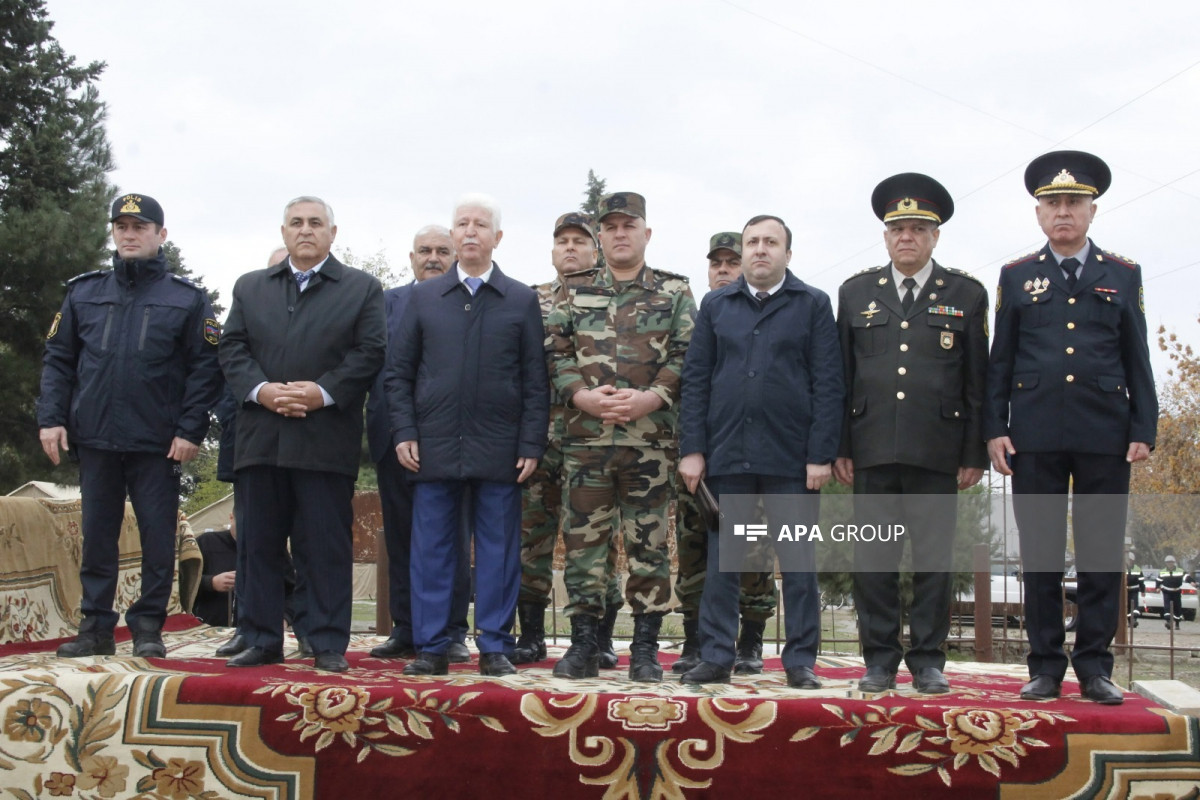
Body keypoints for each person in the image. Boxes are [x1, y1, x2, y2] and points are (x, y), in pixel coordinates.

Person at [986, 151, 1157, 705]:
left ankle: (1094, 667)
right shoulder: (1016, 277)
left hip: (1106, 432)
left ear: (1092, 210)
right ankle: (1043, 667)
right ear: (1038, 213)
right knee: (1038, 552)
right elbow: (1000, 361)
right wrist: (995, 428)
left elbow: (1137, 357)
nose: (1063, 212)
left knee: (1101, 552)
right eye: (1053, 203)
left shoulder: (1123, 274)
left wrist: (1144, 427)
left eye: (1074, 203)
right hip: (1033, 433)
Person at [38, 193, 223, 659]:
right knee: (97, 533)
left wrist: (190, 430)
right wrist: (52, 419)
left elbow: (205, 369)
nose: (129, 234)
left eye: (140, 227)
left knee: (158, 535)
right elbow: (59, 360)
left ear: (161, 235)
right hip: (95, 435)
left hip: (158, 441)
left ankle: (147, 627)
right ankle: (96, 627)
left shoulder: (185, 298)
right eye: (121, 226)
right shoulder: (83, 291)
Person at [833, 174, 989, 694]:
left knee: (934, 559)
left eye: (919, 228)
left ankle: (927, 660)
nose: (907, 237)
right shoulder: (856, 293)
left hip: (938, 451)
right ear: (884, 236)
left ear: (935, 236)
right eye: (898, 228)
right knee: (872, 558)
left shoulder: (966, 293)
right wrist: (841, 447)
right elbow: (843, 376)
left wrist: (973, 452)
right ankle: (878, 658)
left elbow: (975, 382)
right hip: (872, 448)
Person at [220, 196, 386, 673]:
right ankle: (261, 638)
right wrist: (262, 390)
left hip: (324, 439)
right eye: (297, 223)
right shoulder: (251, 288)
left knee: (323, 546)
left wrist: (322, 392)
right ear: (283, 231)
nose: (306, 230)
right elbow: (232, 348)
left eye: (316, 223)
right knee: (258, 544)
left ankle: (326, 641)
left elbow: (370, 351)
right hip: (261, 437)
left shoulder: (361, 288)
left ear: (333, 233)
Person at [387, 193, 549, 677]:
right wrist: (405, 431)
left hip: (500, 448)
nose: (471, 232)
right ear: (453, 236)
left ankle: (495, 645)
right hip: (432, 445)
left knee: (498, 552)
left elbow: (534, 380)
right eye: (463, 224)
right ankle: (433, 645)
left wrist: (530, 444)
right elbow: (399, 374)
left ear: (497, 238)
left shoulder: (521, 299)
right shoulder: (422, 298)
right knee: (432, 549)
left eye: (481, 225)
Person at [678, 214, 843, 688]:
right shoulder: (716, 305)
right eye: (753, 242)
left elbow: (828, 383)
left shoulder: (812, 303)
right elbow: (696, 380)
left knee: (797, 563)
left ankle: (800, 661)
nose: (760, 250)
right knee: (724, 560)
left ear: (788, 253)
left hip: (792, 459)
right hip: (727, 455)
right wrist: (694, 450)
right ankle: (714, 656)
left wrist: (820, 454)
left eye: (771, 242)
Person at [545, 191, 695, 682]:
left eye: (628, 226)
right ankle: (585, 643)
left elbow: (687, 356)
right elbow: (555, 353)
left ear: (646, 233)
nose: (619, 234)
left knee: (649, 545)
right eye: (610, 227)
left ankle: (646, 648)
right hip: (586, 441)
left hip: (648, 443)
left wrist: (654, 397)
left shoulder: (674, 291)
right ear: (600, 236)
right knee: (584, 548)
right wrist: (580, 397)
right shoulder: (573, 289)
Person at [513, 212, 623, 667]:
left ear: (595, 249)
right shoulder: (528, 301)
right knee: (530, 538)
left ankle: (600, 636)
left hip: (595, 441)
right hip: (539, 439)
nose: (571, 248)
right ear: (552, 250)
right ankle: (532, 636)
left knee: (599, 541)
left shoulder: (614, 296)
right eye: (563, 241)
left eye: (581, 240)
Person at [673, 231, 778, 676]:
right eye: (715, 263)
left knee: (750, 547)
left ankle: (750, 640)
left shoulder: (762, 316)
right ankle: (696, 639)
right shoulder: (697, 317)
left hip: (748, 451)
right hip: (698, 450)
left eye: (731, 262)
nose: (722, 269)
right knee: (693, 544)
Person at [367, 225, 473, 662]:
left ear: (455, 257)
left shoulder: (470, 301)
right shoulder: (384, 303)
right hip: (393, 435)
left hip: (455, 439)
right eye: (424, 250)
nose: (433, 257)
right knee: (401, 536)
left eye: (442, 251)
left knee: (451, 536)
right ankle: (406, 628)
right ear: (411, 258)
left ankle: (451, 632)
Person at [213, 246, 312, 659]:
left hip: (310, 440)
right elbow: (226, 373)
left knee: (309, 543)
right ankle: (250, 627)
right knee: (253, 544)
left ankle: (308, 627)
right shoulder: (248, 307)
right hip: (251, 444)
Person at [194, 521, 237, 627]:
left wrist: (284, 617)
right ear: (232, 517)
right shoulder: (206, 542)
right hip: (208, 628)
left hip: (254, 633)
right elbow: (180, 580)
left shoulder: (268, 548)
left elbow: (284, 587)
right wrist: (211, 582)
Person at [1160, 555, 1185, 630]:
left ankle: (1177, 623)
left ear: (1174, 563)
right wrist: (1157, 587)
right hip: (1167, 591)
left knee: (1177, 607)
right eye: (1168, 562)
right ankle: (1168, 621)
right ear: (1166, 563)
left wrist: (1192, 582)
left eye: (1171, 562)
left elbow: (1186, 576)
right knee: (1167, 607)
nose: (1169, 564)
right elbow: (1158, 580)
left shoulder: (1180, 570)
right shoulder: (1163, 571)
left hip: (1176, 591)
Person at [1125, 552, 1143, 628]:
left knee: (1134, 605)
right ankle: (1130, 621)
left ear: (1133, 560)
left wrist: (1143, 590)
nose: (1129, 561)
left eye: (1130, 560)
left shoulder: (1137, 569)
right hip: (1125, 591)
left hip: (1134, 590)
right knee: (1127, 607)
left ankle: (1134, 619)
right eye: (1127, 560)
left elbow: (1141, 581)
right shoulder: (1123, 568)